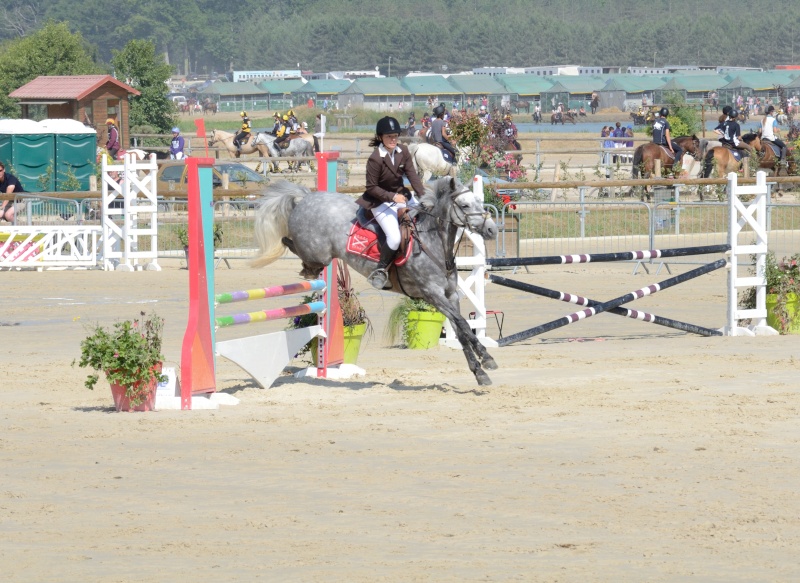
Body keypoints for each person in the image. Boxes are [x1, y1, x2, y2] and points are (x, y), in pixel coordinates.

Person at [357, 116, 426, 290]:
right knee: (395, 238)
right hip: (379, 201)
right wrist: (392, 197)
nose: (393, 139)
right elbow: (371, 187)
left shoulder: (403, 151)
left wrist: (425, 197)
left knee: (425, 220)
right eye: (389, 137)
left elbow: (413, 177)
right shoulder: (375, 159)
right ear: (381, 137)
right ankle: (381, 270)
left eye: (395, 136)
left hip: (402, 196)